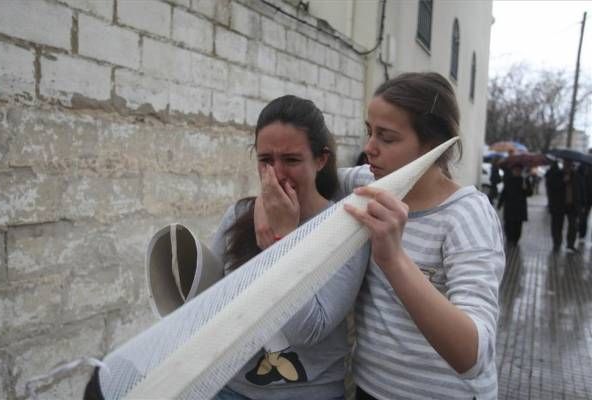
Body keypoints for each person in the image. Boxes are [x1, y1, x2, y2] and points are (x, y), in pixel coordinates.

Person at [256, 72, 505, 399]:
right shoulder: (366, 186)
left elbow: (473, 355)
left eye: (387, 138)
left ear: (433, 145)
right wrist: (263, 199)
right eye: (369, 132)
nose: (369, 148)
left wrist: (394, 259)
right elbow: (299, 179)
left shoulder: (467, 217)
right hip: (370, 390)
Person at [211, 95, 369, 400]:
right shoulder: (238, 215)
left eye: (292, 160)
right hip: (231, 389)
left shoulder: (346, 227)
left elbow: (308, 331)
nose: (277, 173)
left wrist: (282, 240)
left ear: (320, 160)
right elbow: (206, 299)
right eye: (266, 160)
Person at [546, 160, 582, 251]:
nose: (568, 167)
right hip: (559, 204)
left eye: (570, 165)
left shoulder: (576, 176)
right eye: (566, 164)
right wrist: (563, 181)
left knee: (573, 225)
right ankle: (557, 243)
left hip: (572, 205)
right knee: (557, 225)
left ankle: (570, 244)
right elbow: (552, 187)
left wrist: (582, 203)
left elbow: (581, 190)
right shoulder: (557, 174)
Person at [497, 163, 533, 245]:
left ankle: (516, 239)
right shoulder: (509, 180)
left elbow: (530, 193)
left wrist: (525, 188)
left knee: (518, 224)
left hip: (520, 207)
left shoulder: (524, 180)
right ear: (513, 171)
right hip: (509, 206)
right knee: (508, 224)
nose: (517, 172)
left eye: (519, 170)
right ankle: (509, 238)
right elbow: (504, 192)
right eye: (515, 170)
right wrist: (500, 203)